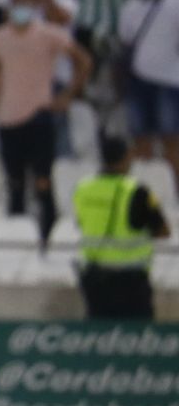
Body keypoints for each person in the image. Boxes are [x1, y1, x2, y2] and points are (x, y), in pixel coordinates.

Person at [0, 0, 91, 241]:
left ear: (35, 8)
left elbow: (83, 60)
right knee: (14, 183)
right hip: (7, 116)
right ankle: (16, 237)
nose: (20, 9)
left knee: (43, 181)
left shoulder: (48, 34)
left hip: (39, 114)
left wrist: (67, 94)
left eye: (26, 4)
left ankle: (48, 237)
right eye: (16, 3)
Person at [71, 136, 166, 320]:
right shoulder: (136, 190)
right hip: (130, 278)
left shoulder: (83, 188)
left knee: (100, 334)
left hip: (94, 276)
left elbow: (81, 222)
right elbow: (162, 231)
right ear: (125, 158)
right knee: (136, 336)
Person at [117, 0, 179, 183]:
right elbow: (126, 43)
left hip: (170, 82)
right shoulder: (129, 7)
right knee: (142, 139)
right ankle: (148, 186)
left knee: (172, 139)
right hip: (138, 82)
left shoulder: (174, 3)